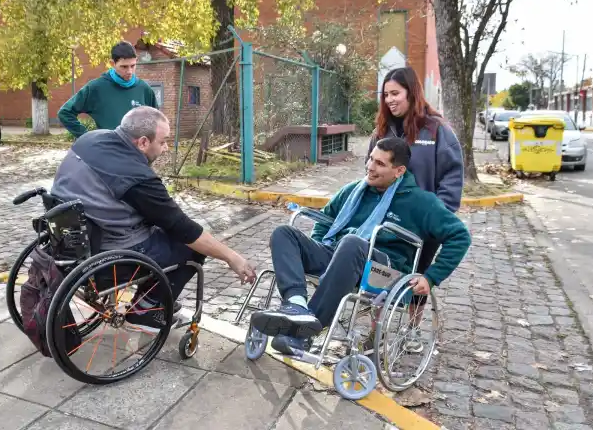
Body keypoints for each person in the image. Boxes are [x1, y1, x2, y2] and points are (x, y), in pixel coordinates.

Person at [250, 137, 471, 356]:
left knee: (352, 242)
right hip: (340, 255)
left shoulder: (421, 202)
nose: (370, 167)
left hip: (383, 271)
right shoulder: (354, 190)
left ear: (399, 171)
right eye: (371, 159)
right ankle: (297, 305)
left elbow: (460, 236)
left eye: (380, 163)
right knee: (283, 233)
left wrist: (431, 277)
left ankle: (304, 332)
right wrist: (318, 244)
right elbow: (326, 220)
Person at [51, 106, 256, 330]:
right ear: (142, 142)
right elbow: (183, 228)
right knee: (192, 248)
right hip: (106, 255)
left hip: (68, 241)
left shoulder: (90, 139)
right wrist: (231, 257)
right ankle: (145, 309)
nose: (166, 148)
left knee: (163, 231)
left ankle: (156, 295)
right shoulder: (137, 178)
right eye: (163, 142)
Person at [366, 67, 464, 350]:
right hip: (387, 218)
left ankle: (412, 329)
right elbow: (370, 168)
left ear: (412, 93)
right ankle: (375, 331)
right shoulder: (382, 129)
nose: (389, 100)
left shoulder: (436, 130)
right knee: (380, 269)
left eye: (395, 93)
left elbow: (452, 174)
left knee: (418, 275)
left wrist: (437, 212)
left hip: (423, 222)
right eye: (386, 95)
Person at [58, 41, 159, 139]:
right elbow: (65, 113)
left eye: (133, 66)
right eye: (124, 67)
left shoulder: (144, 89)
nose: (129, 71)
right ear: (112, 63)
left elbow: (156, 121)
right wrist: (87, 137)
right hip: (108, 148)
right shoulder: (96, 87)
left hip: (138, 150)